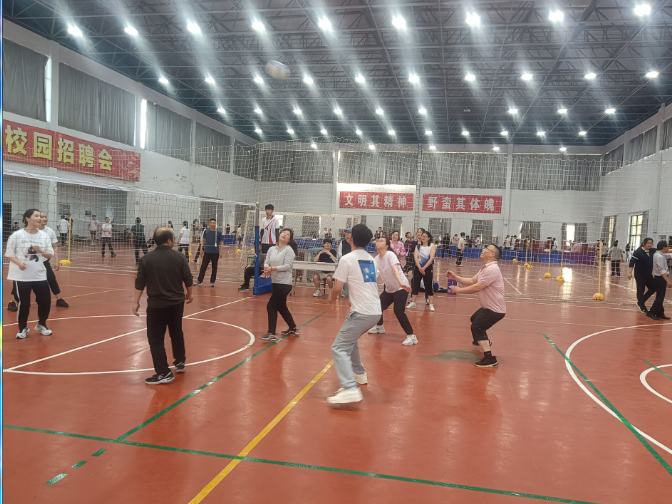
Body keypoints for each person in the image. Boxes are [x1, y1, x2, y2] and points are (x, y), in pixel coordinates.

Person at [327, 224, 381, 405]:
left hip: (362, 312)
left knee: (339, 347)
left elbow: (337, 287)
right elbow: (364, 282)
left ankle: (350, 388)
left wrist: (331, 299)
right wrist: (353, 297)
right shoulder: (371, 259)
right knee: (351, 340)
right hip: (375, 311)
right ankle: (359, 374)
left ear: (350, 238)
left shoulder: (347, 259)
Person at [133, 227, 193, 385]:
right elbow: (188, 278)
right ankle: (180, 361)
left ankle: (163, 372)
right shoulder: (180, 257)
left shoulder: (146, 259)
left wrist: (136, 302)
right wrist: (190, 294)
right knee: (176, 331)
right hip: (176, 303)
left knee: (155, 339)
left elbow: (140, 283)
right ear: (169, 241)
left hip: (156, 305)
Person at [448, 244, 506, 367]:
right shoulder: (485, 268)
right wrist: (456, 277)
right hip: (488, 307)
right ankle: (483, 340)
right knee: (474, 319)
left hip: (495, 310)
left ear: (492, 254)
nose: (483, 250)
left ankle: (490, 359)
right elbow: (472, 281)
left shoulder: (492, 269)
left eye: (486, 248)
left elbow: (477, 287)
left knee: (477, 327)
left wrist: (459, 290)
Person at [5, 209, 54, 339]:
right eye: (36, 216)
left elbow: (50, 255)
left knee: (45, 301)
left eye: (40, 216)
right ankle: (23, 328)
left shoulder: (44, 236)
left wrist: (40, 250)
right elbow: (9, 254)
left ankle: (42, 324)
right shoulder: (16, 235)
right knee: (24, 303)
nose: (40, 218)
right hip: (22, 276)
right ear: (27, 218)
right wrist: (19, 263)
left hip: (39, 275)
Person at [368, 237, 416, 345]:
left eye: (381, 241)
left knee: (398, 311)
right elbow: (373, 276)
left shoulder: (390, 255)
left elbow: (395, 270)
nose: (378, 242)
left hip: (401, 288)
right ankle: (379, 327)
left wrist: (401, 283)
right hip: (389, 289)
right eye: (378, 241)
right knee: (377, 306)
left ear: (386, 246)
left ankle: (411, 336)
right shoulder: (376, 259)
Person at [260, 228, 299, 342]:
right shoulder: (272, 249)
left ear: (289, 240)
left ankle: (271, 333)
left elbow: (287, 267)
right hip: (275, 282)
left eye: (287, 234)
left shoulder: (289, 250)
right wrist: (266, 269)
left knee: (271, 306)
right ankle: (293, 328)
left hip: (284, 283)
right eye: (283, 233)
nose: (284, 235)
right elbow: (267, 261)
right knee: (281, 307)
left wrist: (271, 269)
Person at [39, 212, 69, 308]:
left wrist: (56, 261)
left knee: (51, 279)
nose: (44, 219)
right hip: (30, 262)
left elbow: (55, 246)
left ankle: (59, 299)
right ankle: (12, 301)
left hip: (44, 261)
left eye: (45, 217)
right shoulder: (30, 231)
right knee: (22, 281)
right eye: (42, 217)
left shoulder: (50, 231)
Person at [408, 230, 436, 311]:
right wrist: (420, 268)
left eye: (425, 236)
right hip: (418, 268)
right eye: (422, 236)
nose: (423, 237)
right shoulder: (418, 246)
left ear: (428, 238)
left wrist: (424, 268)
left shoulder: (432, 246)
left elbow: (431, 258)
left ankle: (431, 304)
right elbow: (415, 257)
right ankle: (413, 302)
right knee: (415, 284)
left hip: (428, 268)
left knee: (428, 285)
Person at [628, 238, 656, 314]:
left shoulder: (652, 251)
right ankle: (642, 306)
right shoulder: (638, 252)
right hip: (640, 274)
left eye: (651, 243)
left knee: (653, 288)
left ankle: (641, 301)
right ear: (644, 243)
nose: (649, 245)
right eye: (648, 243)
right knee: (641, 290)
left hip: (648, 274)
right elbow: (632, 262)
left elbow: (663, 250)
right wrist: (630, 273)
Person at [195, 218, 224, 287]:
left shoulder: (219, 232)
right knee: (203, 267)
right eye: (211, 223)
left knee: (214, 268)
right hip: (207, 252)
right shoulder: (206, 231)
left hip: (215, 253)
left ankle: (212, 282)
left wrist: (221, 252)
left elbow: (221, 242)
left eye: (214, 223)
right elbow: (203, 241)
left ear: (215, 224)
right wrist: (201, 249)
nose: (212, 224)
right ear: (209, 224)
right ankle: (199, 281)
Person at [647, 241, 672, 320]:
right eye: (667, 246)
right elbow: (662, 271)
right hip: (660, 278)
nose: (668, 248)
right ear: (664, 247)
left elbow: (669, 254)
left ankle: (660, 313)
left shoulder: (658, 254)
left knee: (659, 296)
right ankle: (651, 312)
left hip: (659, 278)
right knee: (660, 297)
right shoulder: (659, 257)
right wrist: (668, 281)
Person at [337, 228, 353, 297]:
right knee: (344, 277)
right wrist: (344, 259)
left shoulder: (354, 242)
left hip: (352, 262)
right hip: (344, 262)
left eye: (348, 233)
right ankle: (345, 292)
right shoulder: (342, 242)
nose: (347, 234)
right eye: (346, 233)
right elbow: (339, 253)